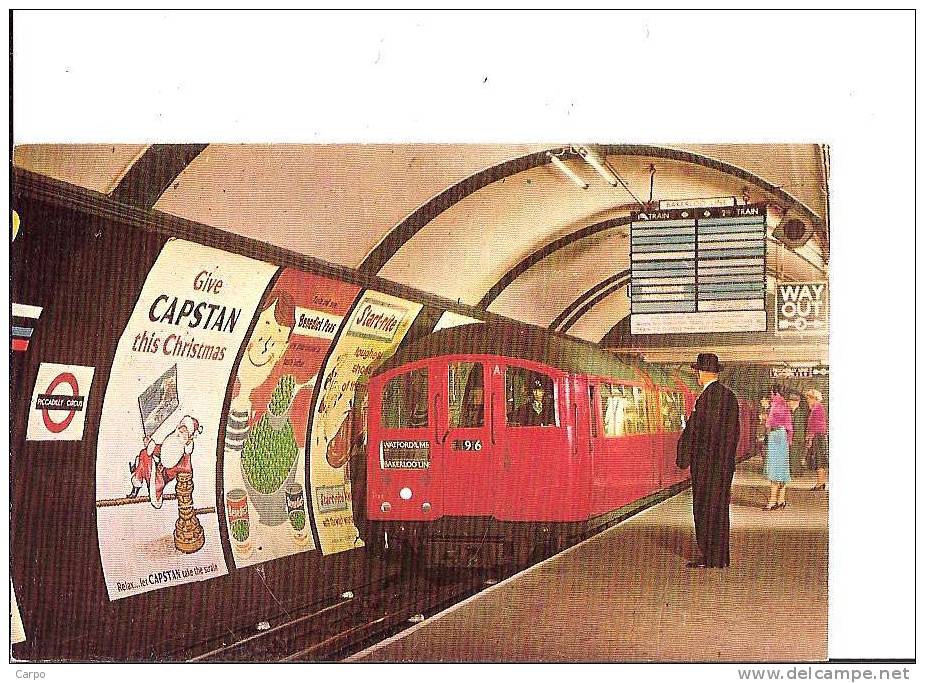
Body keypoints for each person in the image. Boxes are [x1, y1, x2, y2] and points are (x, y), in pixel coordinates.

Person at [677, 353, 740, 569]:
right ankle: (720, 557)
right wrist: (726, 462)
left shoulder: (704, 399)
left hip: (705, 466)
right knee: (720, 511)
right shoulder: (729, 397)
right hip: (723, 467)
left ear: (702, 373)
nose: (697, 376)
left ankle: (709, 556)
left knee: (704, 510)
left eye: (698, 372)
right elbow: (733, 434)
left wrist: (684, 456)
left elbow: (695, 432)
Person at [763, 386, 794, 510]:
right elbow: (788, 425)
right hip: (783, 436)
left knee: (774, 468)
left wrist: (765, 418)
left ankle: (772, 501)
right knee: (782, 467)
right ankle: (781, 499)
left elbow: (771, 422)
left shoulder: (776, 403)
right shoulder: (785, 404)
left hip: (776, 436)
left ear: (773, 393)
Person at [804, 388, 828, 491]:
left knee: (819, 459)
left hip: (818, 436)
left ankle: (820, 483)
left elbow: (816, 425)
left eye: (809, 398)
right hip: (818, 436)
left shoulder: (817, 408)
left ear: (814, 398)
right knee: (818, 459)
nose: (808, 400)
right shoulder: (816, 408)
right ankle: (821, 482)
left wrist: (810, 436)